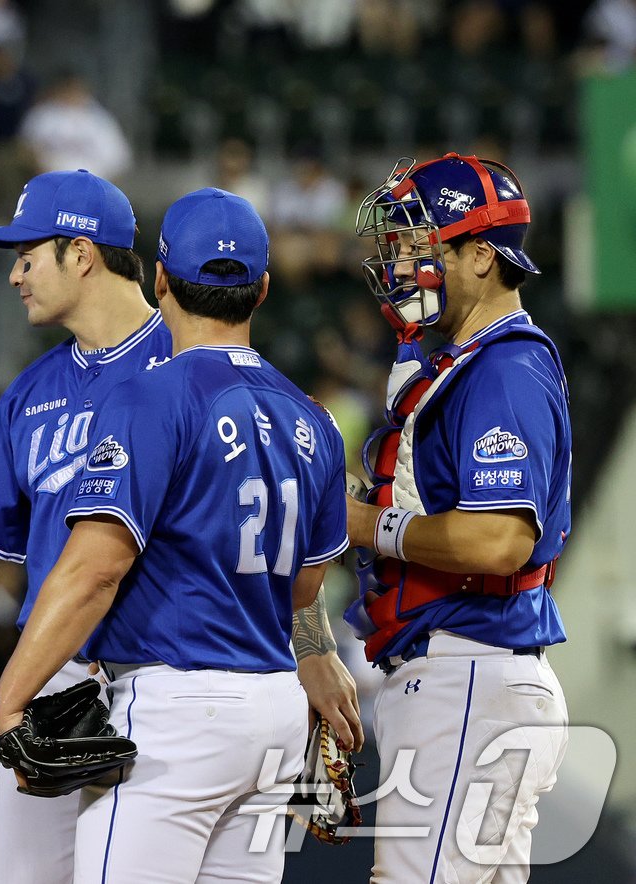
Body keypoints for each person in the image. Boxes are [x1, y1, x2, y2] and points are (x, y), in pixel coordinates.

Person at [0, 172, 359, 884]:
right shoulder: (33, 391)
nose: (15, 273)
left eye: (27, 254)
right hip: (58, 690)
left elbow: (249, 544)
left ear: (82, 253)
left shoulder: (181, 365)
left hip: (152, 681)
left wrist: (313, 649)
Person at [0, 188, 351, 883]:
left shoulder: (150, 397)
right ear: (263, 289)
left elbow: (93, 572)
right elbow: (306, 585)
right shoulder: (315, 420)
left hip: (177, 711)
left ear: (160, 280)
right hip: (275, 711)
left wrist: (11, 698)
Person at [347, 152, 569, 883]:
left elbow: (502, 540)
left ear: (481, 255)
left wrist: (367, 524)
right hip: (472, 674)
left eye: (422, 245)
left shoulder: (504, 367)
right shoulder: (469, 359)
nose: (405, 264)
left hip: (470, 672)